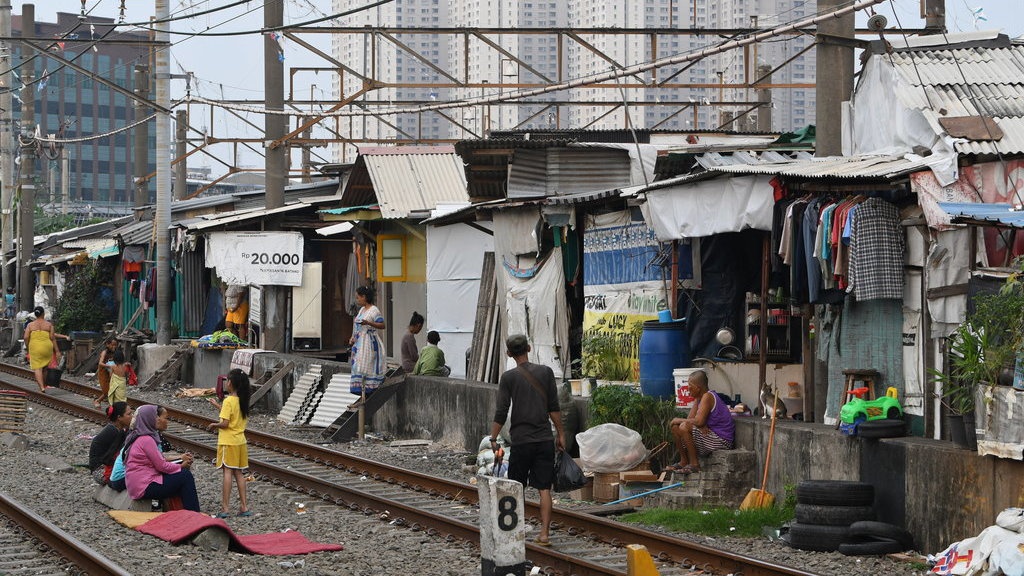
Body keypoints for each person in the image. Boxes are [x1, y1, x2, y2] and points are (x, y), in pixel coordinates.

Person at [489, 334, 564, 547]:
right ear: (529, 348)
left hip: (521, 441)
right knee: (544, 489)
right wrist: (561, 434)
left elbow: (501, 411)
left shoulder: (508, 378)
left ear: (508, 353)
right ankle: (544, 534)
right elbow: (554, 407)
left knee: (515, 488)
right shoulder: (546, 372)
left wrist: (493, 437)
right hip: (543, 440)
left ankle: (515, 532)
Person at [124, 405, 200, 512]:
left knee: (178, 476)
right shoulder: (146, 439)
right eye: (154, 416)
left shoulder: (138, 436)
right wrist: (180, 466)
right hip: (144, 486)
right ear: (148, 419)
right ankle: (193, 514)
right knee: (185, 476)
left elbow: (159, 460)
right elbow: (161, 466)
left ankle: (178, 511)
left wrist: (178, 462)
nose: (158, 419)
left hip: (137, 484)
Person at [667, 370, 735, 474]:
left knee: (683, 426)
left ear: (698, 388)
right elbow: (692, 420)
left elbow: (697, 421)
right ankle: (684, 461)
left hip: (721, 440)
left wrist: (692, 422)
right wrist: (697, 424)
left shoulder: (708, 396)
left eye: (690, 386)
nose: (688, 388)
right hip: (709, 435)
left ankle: (695, 464)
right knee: (676, 427)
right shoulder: (698, 398)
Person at [207, 369, 252, 518]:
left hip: (228, 442)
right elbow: (232, 417)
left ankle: (225, 508)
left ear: (231, 383)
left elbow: (225, 423)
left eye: (227, 381)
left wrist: (214, 425)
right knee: (239, 473)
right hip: (240, 442)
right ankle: (244, 507)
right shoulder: (242, 400)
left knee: (227, 472)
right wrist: (216, 405)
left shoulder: (228, 401)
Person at [349, 286, 386, 394]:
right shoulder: (362, 310)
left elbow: (382, 325)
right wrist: (352, 338)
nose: (357, 300)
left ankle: (369, 388)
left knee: (366, 366)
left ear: (364, 297)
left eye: (358, 297)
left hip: (368, 342)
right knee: (358, 366)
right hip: (359, 343)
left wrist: (369, 323)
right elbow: (357, 326)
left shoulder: (374, 310)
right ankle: (361, 389)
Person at [88, 402, 133, 486]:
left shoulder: (116, 429)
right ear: (119, 417)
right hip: (101, 471)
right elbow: (116, 455)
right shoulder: (113, 432)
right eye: (129, 414)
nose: (132, 416)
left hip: (105, 466)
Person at [24, 306, 60, 392]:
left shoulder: (30, 325)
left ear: (35, 315)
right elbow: (52, 338)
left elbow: (25, 337)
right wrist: (57, 351)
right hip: (47, 348)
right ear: (43, 314)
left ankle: (42, 387)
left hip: (35, 347)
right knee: (45, 367)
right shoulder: (49, 325)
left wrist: (28, 347)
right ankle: (44, 384)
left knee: (37, 368)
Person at [93, 338, 119, 409]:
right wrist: (109, 365)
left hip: (111, 371)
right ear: (107, 344)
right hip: (103, 372)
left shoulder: (115, 353)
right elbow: (100, 363)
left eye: (115, 345)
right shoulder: (104, 352)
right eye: (112, 345)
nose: (114, 347)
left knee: (112, 388)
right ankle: (98, 401)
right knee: (106, 390)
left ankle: (101, 402)